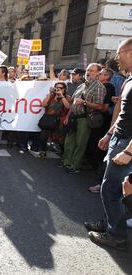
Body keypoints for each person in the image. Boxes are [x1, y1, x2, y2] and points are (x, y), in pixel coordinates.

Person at [85, 38, 132, 250]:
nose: (116, 58)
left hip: (126, 144)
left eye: (119, 53)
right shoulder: (128, 80)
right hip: (118, 138)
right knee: (109, 187)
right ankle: (109, 224)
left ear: (130, 52)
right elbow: (124, 115)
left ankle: (117, 234)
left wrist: (129, 151)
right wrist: (108, 134)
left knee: (112, 189)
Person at [61, 63, 106, 174]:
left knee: (80, 143)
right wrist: (67, 116)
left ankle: (75, 165)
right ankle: (67, 161)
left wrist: (84, 102)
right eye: (87, 70)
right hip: (73, 117)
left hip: (85, 118)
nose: (88, 72)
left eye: (91, 71)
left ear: (97, 73)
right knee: (69, 140)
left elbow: (100, 106)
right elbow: (73, 103)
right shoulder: (81, 86)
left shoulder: (99, 87)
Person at [38, 82, 71, 157]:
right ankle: (43, 151)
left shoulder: (67, 97)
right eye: (57, 87)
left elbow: (68, 107)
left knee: (60, 139)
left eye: (61, 88)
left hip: (60, 121)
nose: (59, 89)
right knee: (43, 136)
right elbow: (43, 104)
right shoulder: (51, 96)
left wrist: (62, 96)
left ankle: (63, 154)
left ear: (64, 89)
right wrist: (50, 94)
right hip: (48, 119)